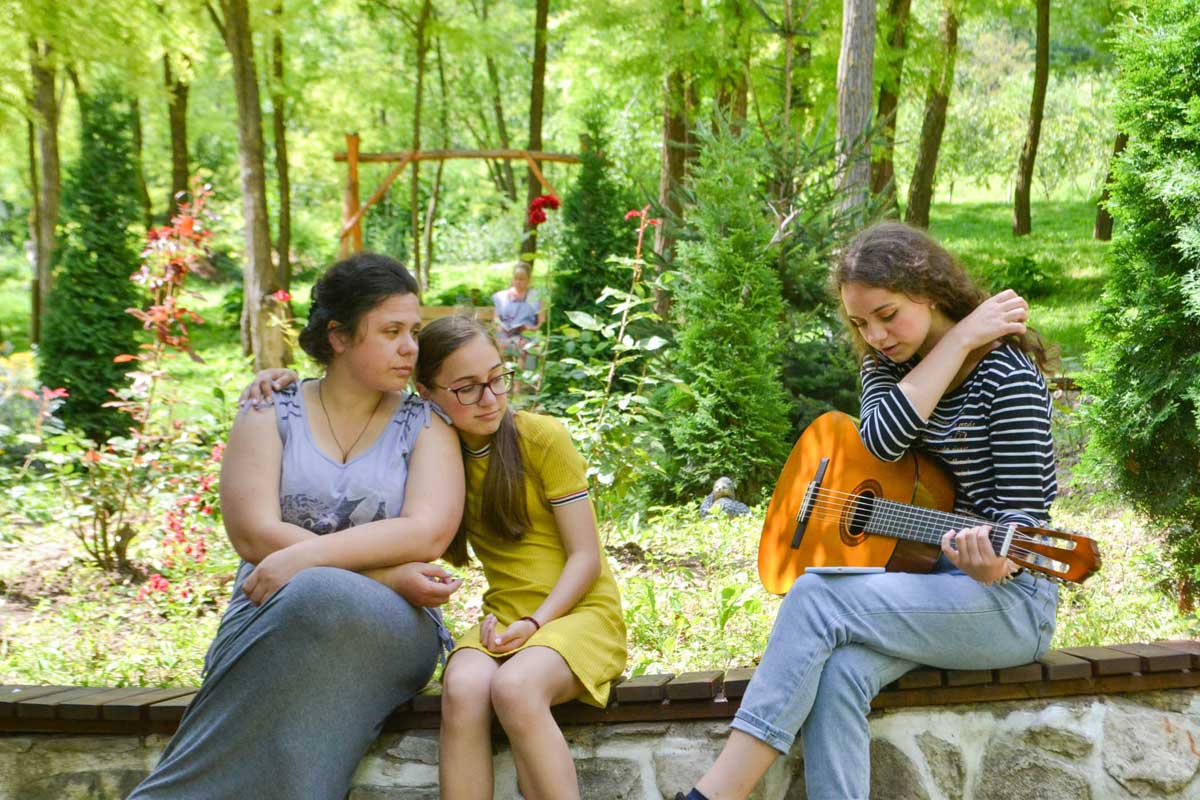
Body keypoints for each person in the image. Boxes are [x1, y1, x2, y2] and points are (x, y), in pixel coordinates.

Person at [676, 221, 1060, 800]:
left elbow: (1024, 521)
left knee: (816, 594)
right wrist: (956, 341)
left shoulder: (1007, 377)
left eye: (888, 315)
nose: (876, 335)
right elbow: (881, 441)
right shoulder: (885, 364)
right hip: (924, 581)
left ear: (930, 293)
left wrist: (996, 563)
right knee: (838, 673)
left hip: (1008, 602)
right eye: (860, 323)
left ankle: (712, 795)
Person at [244, 315, 627, 800]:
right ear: (425, 393)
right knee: (463, 688)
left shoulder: (541, 438)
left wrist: (535, 622)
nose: (489, 398)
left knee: (515, 688)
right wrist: (287, 383)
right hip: (505, 620)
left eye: (497, 378)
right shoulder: (434, 455)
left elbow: (586, 558)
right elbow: (349, 400)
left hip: (578, 614)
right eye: (466, 388)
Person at [130, 253, 465, 800]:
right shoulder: (269, 409)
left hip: (395, 623)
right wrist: (382, 573)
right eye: (391, 332)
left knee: (313, 592)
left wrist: (306, 560)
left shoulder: (426, 423)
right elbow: (253, 534)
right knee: (308, 604)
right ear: (339, 335)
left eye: (414, 331)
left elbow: (426, 533)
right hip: (268, 611)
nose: (411, 348)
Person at [491, 262, 545, 370]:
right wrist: (500, 326)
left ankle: (525, 377)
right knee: (504, 344)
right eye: (516, 279)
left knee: (528, 346)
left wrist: (531, 329)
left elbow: (541, 321)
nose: (518, 282)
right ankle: (515, 377)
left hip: (527, 334)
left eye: (522, 279)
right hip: (505, 335)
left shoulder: (537, 296)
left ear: (529, 280)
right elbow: (496, 319)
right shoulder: (501, 296)